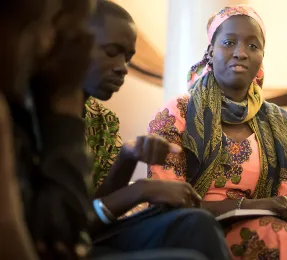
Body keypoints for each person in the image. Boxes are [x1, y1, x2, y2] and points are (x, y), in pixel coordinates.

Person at [148, 4, 287, 259]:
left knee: (277, 232)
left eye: (253, 46)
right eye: (229, 42)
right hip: (190, 239)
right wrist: (255, 206)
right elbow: (167, 202)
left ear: (262, 58)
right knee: (275, 233)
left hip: (260, 235)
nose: (240, 53)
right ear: (211, 51)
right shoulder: (179, 111)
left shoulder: (276, 123)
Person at [83, 2, 231, 259]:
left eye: (128, 58)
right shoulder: (33, 115)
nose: (123, 68)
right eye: (111, 52)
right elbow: (66, 225)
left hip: (91, 233)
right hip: (60, 241)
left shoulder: (102, 119)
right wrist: (141, 189)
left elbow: (99, 213)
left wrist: (127, 158)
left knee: (197, 223)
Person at [0, 0, 95, 259]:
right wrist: (65, 104)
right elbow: (56, 236)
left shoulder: (27, 102)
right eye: (41, 25)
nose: (44, 44)